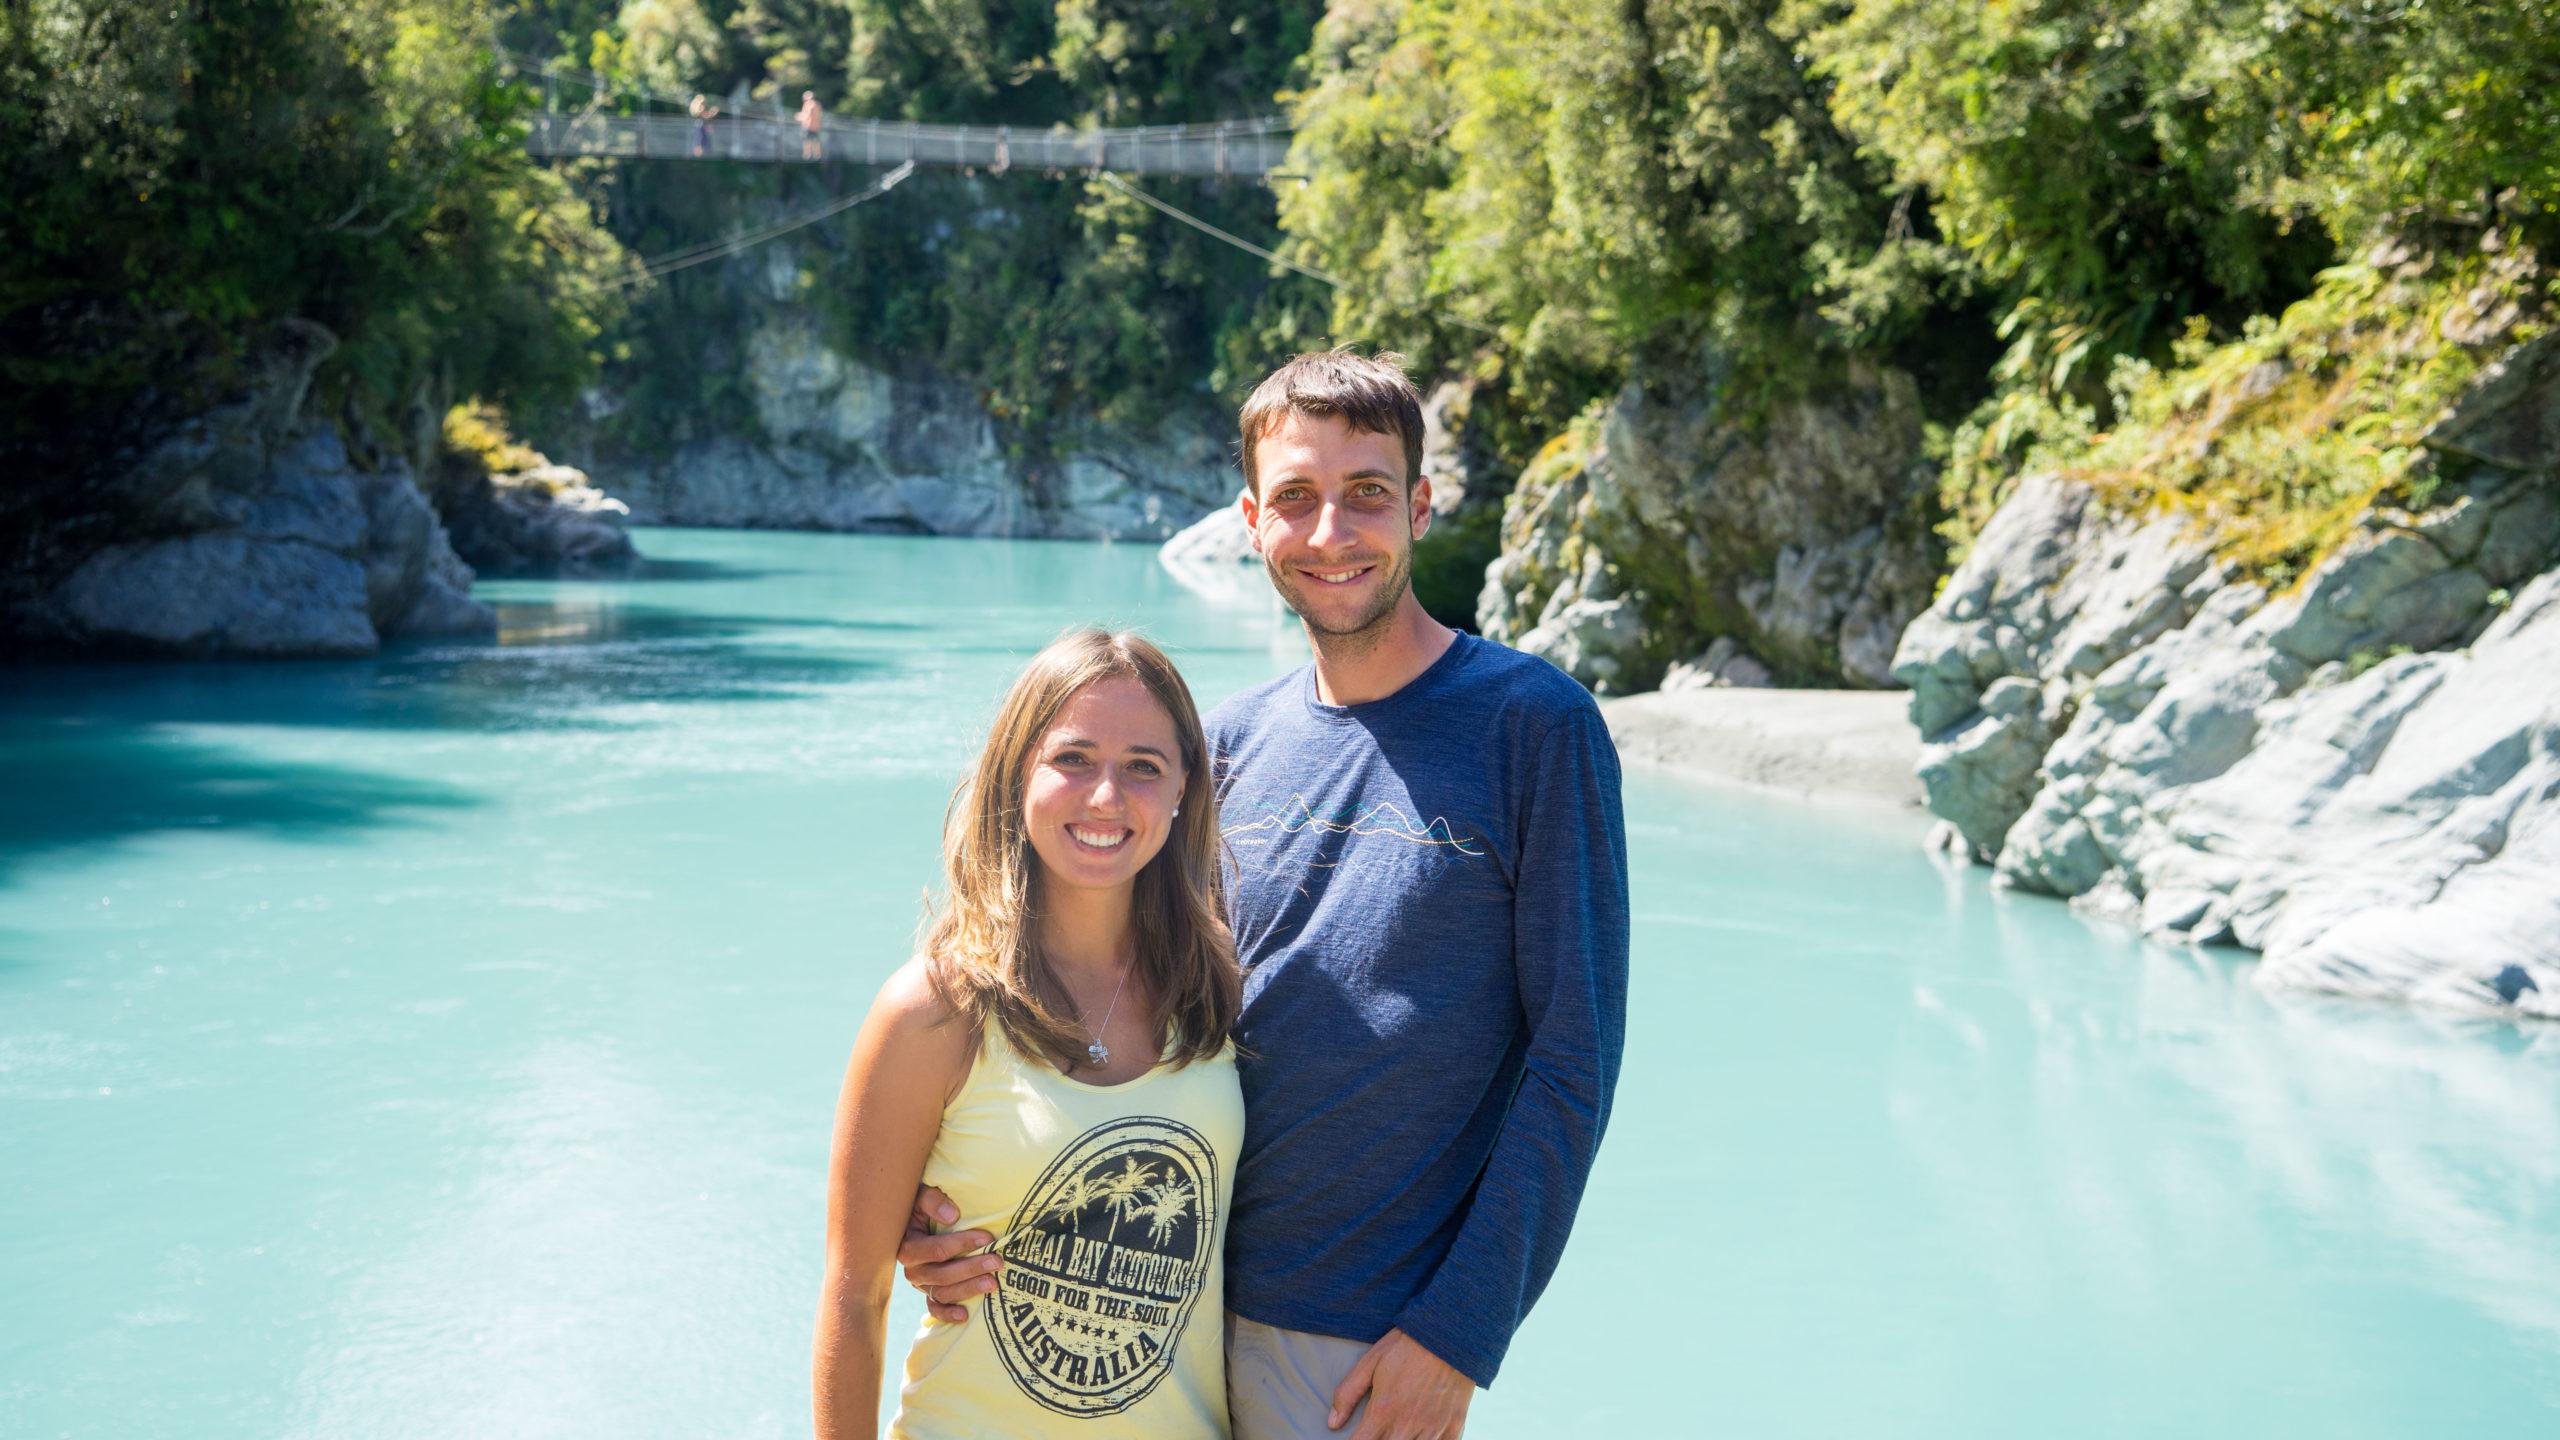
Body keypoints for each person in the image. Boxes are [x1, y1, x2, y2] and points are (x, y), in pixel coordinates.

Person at [897, 352, 1630, 1440]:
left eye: (1367, 494)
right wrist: (945, 1197)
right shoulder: (1223, 744)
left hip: (1351, 1347)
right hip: (1141, 1306)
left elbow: (1574, 1060)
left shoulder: (1533, 726)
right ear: (1251, 519)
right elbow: (1109, 988)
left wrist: (1460, 1334)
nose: (1330, 532)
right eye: (1295, 498)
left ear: (1420, 505)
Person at [813, 629, 1247, 1439]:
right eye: (1073, 759)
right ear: (1018, 772)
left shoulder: (1215, 994)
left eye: (1144, 767)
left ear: (1186, 787)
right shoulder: (934, 1009)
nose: (1106, 798)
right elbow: (854, 1295)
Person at [689, 93, 719, 157]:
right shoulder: (698, 120)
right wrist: (698, 146)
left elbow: (707, 117)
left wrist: (712, 113)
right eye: (702, 104)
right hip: (701, 144)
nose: (704, 106)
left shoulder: (703, 119)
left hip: (705, 143)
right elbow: (699, 135)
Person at [800, 90, 826, 161]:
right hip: (816, 127)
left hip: (809, 126)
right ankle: (817, 154)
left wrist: (799, 117)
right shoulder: (817, 104)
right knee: (816, 141)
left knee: (807, 140)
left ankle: (807, 154)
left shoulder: (808, 104)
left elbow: (807, 115)